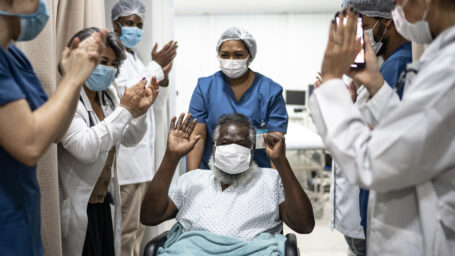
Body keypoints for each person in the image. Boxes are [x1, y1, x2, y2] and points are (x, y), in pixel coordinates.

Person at [308, 0, 455, 254]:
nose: (396, 9)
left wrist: (331, 83)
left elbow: (372, 161)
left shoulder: (449, 68)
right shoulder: (440, 59)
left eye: (399, 1)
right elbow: (410, 134)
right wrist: (376, 85)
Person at [0, 1, 105, 255]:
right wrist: (70, 79)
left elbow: (55, 132)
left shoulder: (14, 57)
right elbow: (29, 144)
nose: (42, 6)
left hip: (23, 217)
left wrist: (76, 80)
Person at [141, 113, 314, 254]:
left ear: (251, 149)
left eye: (241, 144)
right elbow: (150, 216)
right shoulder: (192, 180)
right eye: (225, 143)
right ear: (214, 146)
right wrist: (171, 157)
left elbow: (304, 225)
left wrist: (281, 162)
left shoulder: (270, 180)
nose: (232, 149)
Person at [58, 27, 159, 256]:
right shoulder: (67, 97)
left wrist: (139, 113)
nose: (108, 70)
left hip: (102, 202)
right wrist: (125, 110)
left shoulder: (109, 94)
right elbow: (85, 148)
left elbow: (130, 138)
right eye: (102, 61)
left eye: (113, 65)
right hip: (77, 205)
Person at [341, 0, 413, 243]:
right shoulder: (387, 66)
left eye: (362, 25)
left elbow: (385, 145)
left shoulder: (398, 65)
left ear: (387, 20)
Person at [110, 0, 178, 255]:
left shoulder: (136, 60)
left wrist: (162, 77)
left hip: (142, 164)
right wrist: (155, 67)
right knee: (126, 233)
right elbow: (130, 96)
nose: (135, 29)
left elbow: (151, 106)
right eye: (129, 23)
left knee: (137, 231)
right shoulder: (115, 59)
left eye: (139, 24)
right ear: (115, 24)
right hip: (126, 164)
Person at [186, 27, 288, 171]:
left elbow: (275, 144)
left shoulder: (270, 91)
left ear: (250, 56)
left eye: (238, 55)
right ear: (218, 55)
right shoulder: (205, 87)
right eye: (225, 55)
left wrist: (276, 185)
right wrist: (191, 179)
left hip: (257, 175)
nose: (231, 60)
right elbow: (197, 136)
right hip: (213, 174)